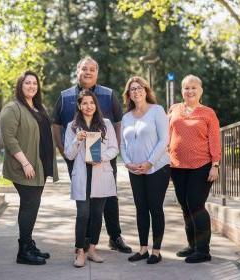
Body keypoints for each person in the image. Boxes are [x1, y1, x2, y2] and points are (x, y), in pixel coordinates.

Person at [52, 56, 132, 254]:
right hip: (77, 157)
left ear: (97, 73)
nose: (88, 72)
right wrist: (64, 150)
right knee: (85, 201)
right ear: (77, 71)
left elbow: (118, 123)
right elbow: (56, 124)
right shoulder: (64, 96)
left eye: (92, 70)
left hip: (103, 159)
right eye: (84, 69)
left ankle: (115, 236)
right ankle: (85, 240)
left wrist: (113, 151)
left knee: (108, 198)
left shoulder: (108, 94)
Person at [0, 71, 59, 265]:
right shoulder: (12, 108)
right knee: (29, 206)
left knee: (32, 206)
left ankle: (28, 244)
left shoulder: (38, 107)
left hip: (39, 165)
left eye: (35, 83)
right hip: (24, 166)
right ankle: (23, 251)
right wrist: (25, 162)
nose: (32, 86)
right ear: (20, 85)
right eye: (28, 83)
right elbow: (9, 139)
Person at [168, 74, 221, 263]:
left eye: (193, 88)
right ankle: (192, 245)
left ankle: (203, 251)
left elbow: (215, 140)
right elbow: (169, 135)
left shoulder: (208, 113)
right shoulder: (174, 109)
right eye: (186, 88)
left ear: (201, 91)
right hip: (177, 166)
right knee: (185, 206)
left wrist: (215, 165)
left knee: (196, 205)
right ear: (182, 91)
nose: (190, 91)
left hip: (201, 165)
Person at [64, 90, 119, 267]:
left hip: (101, 174)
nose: (89, 106)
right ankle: (80, 251)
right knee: (83, 214)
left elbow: (114, 149)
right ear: (79, 106)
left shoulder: (106, 124)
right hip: (82, 176)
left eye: (92, 103)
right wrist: (76, 141)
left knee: (96, 215)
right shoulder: (72, 126)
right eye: (85, 103)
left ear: (96, 105)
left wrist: (100, 158)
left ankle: (92, 250)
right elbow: (69, 155)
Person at [120, 76, 170, 264]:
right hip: (135, 170)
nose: (136, 91)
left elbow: (164, 140)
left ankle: (156, 251)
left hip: (157, 168)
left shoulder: (157, 111)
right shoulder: (126, 117)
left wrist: (149, 162)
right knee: (141, 209)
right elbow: (122, 146)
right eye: (132, 89)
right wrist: (127, 163)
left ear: (146, 90)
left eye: (139, 88)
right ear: (128, 94)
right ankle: (143, 249)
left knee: (155, 209)